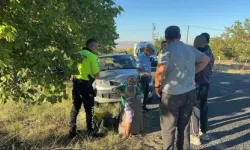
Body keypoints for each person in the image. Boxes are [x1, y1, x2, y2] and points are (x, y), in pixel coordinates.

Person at [155, 26, 211, 150]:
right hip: (190, 93)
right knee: (184, 127)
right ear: (180, 36)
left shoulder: (166, 50)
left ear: (166, 37)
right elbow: (206, 59)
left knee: (168, 128)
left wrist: (157, 85)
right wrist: (193, 72)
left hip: (172, 94)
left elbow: (161, 70)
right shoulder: (190, 49)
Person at [68, 38, 100, 138]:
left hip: (76, 84)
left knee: (75, 107)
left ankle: (71, 131)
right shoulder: (92, 56)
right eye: (96, 46)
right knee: (89, 109)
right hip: (86, 85)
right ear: (92, 46)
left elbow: (69, 68)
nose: (96, 49)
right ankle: (91, 132)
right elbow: (96, 74)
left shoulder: (76, 54)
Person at [190, 35, 215, 145]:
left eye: (195, 43)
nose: (193, 45)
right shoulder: (210, 53)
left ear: (198, 43)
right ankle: (204, 133)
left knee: (194, 110)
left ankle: (194, 136)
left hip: (195, 85)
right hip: (206, 84)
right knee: (204, 108)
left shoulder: (195, 53)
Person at [136, 44, 154, 112]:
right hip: (142, 78)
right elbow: (138, 68)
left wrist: (149, 75)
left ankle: (144, 107)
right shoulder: (141, 57)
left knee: (146, 93)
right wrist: (146, 73)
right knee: (142, 93)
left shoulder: (147, 57)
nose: (151, 53)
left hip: (147, 77)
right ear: (147, 50)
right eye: (151, 51)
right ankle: (139, 108)